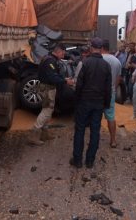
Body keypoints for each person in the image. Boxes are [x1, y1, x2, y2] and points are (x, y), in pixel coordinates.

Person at [70, 37, 112, 168]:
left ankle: (77, 160)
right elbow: (108, 88)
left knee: (80, 130)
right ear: (101, 49)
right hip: (98, 103)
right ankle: (90, 161)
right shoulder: (106, 65)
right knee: (95, 131)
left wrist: (76, 101)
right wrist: (106, 104)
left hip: (84, 101)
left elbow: (79, 85)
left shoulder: (85, 63)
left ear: (91, 48)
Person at [28, 43, 74, 146]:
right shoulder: (50, 61)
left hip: (48, 87)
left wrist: (63, 79)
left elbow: (53, 75)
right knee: (46, 111)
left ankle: (44, 134)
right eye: (63, 53)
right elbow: (52, 77)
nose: (64, 55)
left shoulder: (49, 58)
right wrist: (66, 82)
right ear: (58, 51)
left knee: (48, 110)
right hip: (47, 88)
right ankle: (33, 135)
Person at [101, 39, 122, 148]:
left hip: (98, 93)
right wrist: (113, 88)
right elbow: (118, 79)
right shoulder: (117, 61)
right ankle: (113, 140)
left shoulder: (99, 59)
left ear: (101, 48)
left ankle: (95, 139)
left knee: (96, 116)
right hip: (110, 92)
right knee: (111, 117)